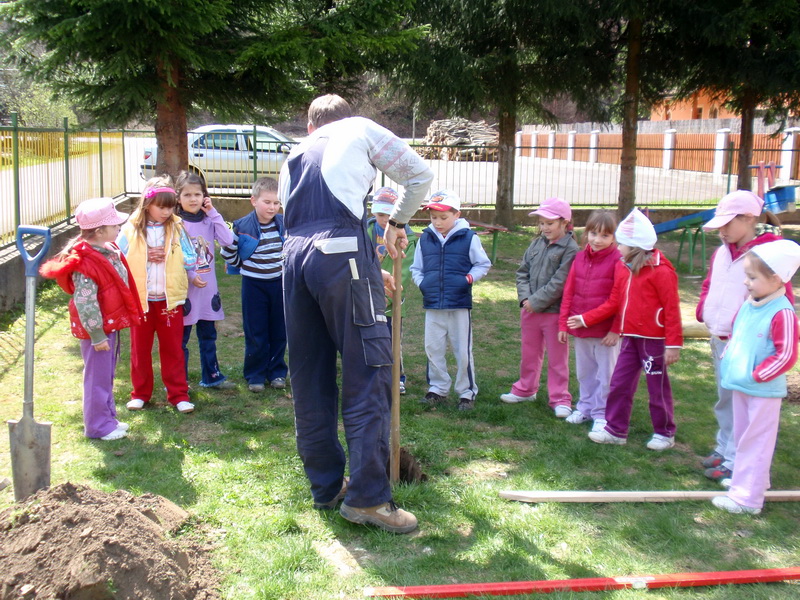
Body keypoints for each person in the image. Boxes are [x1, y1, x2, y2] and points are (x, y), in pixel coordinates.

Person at [278, 94, 433, 534]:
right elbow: (420, 176)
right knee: (369, 369)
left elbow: (311, 225)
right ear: (344, 119)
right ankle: (367, 497)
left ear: (311, 127)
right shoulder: (359, 128)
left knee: (309, 374)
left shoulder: (294, 152)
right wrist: (397, 223)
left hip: (292, 259)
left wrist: (366, 266)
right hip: (341, 253)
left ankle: (326, 487)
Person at [695, 190, 792, 484]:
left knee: (743, 405)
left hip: (749, 346)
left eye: (727, 224)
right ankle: (725, 447)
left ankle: (738, 460)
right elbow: (711, 283)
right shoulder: (722, 251)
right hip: (721, 339)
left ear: (749, 218)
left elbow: (777, 299)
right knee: (725, 400)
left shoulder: (767, 256)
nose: (722, 231)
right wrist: (704, 309)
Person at [567, 208, 682, 450]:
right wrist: (586, 319)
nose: (618, 249)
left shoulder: (662, 272)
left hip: (653, 341)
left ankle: (664, 432)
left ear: (636, 246)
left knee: (656, 388)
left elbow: (672, 310)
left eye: (623, 244)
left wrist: (673, 345)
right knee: (619, 383)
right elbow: (614, 302)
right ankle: (616, 430)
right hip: (630, 338)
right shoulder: (623, 267)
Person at [40, 198, 142, 440]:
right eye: (114, 225)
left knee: (106, 375)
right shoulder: (85, 263)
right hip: (98, 331)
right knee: (97, 378)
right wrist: (97, 336)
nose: (119, 227)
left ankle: (108, 419)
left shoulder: (106, 250)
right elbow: (86, 303)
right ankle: (97, 426)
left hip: (109, 325)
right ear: (99, 231)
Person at [712, 240, 800, 514]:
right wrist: (730, 360)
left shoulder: (782, 312)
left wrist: (757, 375)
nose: (746, 283)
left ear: (776, 279)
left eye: (752, 278)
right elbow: (738, 336)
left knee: (756, 441)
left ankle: (747, 500)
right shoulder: (752, 303)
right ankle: (749, 482)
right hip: (741, 383)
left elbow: (786, 355)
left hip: (761, 390)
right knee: (742, 437)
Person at [117, 176, 197, 414]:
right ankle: (140, 394)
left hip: (169, 300)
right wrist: (145, 256)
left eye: (170, 206)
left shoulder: (177, 227)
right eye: (161, 207)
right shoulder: (130, 229)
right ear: (147, 205)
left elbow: (190, 256)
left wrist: (185, 267)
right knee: (140, 350)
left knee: (173, 349)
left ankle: (178, 395)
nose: (166, 211)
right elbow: (117, 258)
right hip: (140, 301)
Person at [409, 189, 492, 411]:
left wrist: (468, 279)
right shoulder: (425, 238)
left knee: (462, 349)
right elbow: (416, 267)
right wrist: (422, 283)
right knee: (432, 348)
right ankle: (437, 388)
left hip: (458, 304)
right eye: (433, 217)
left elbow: (482, 264)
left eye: (443, 217)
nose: (438, 222)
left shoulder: (468, 237)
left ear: (457, 214)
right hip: (433, 304)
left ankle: (466, 392)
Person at [500, 197, 579, 418]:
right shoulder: (535, 243)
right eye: (542, 223)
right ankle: (525, 389)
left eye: (549, 223)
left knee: (557, 358)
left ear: (564, 222)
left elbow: (560, 282)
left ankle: (560, 397)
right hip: (530, 311)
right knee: (529, 353)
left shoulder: (571, 249)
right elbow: (522, 272)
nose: (544, 227)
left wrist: (536, 302)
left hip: (554, 313)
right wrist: (526, 300)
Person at [220, 177, 288, 393]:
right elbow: (227, 252)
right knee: (256, 331)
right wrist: (241, 265)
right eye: (267, 202)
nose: (272, 207)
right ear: (254, 201)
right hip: (253, 286)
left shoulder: (284, 224)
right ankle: (255, 374)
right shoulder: (242, 226)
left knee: (279, 331)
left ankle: (277, 372)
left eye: (276, 203)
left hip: (279, 285)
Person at [558, 210, 621, 432]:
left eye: (605, 236)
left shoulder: (618, 260)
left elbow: (621, 299)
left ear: (614, 237)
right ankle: (585, 407)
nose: (597, 240)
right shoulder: (580, 256)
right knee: (585, 371)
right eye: (593, 233)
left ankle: (602, 413)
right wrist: (563, 322)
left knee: (606, 374)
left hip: (605, 332)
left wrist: (616, 329)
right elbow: (569, 290)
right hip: (580, 328)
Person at [175, 171, 236, 390]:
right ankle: (178, 381)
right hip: (185, 291)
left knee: (208, 336)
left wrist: (214, 213)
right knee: (180, 339)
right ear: (178, 198)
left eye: (198, 194)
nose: (193, 199)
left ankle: (211, 375)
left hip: (207, 291)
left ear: (205, 196)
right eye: (188, 195)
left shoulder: (210, 220)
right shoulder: (175, 224)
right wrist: (191, 275)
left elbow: (228, 240)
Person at [366, 186, 416, 395]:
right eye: (380, 215)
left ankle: (398, 377)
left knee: (392, 339)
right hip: (367, 295)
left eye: (389, 215)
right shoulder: (366, 231)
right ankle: (374, 375)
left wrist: (392, 291)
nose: (385, 219)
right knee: (370, 338)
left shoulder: (407, 237)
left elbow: (404, 269)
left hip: (391, 297)